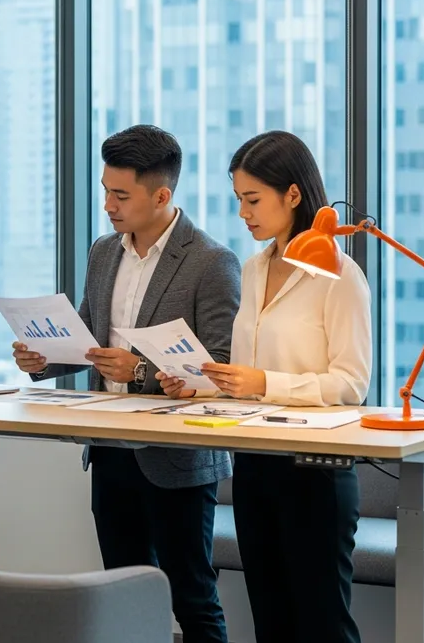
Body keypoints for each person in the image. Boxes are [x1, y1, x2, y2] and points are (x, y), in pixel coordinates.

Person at [13, 125, 240, 643]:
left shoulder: (211, 262)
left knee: (192, 597)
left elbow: (222, 366)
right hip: (110, 449)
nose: (108, 205)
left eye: (121, 195)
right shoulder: (103, 252)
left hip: (177, 459)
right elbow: (89, 339)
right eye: (105, 190)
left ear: (161, 196)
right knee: (121, 597)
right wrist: (42, 359)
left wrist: (138, 371)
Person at [159, 130, 372, 643]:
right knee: (271, 625)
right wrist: (201, 387)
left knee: (323, 627)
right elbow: (248, 380)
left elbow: (351, 384)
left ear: (293, 194)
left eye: (252, 200)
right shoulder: (253, 269)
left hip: (315, 472)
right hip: (254, 466)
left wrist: (264, 381)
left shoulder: (339, 274)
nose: (243, 213)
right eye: (238, 199)